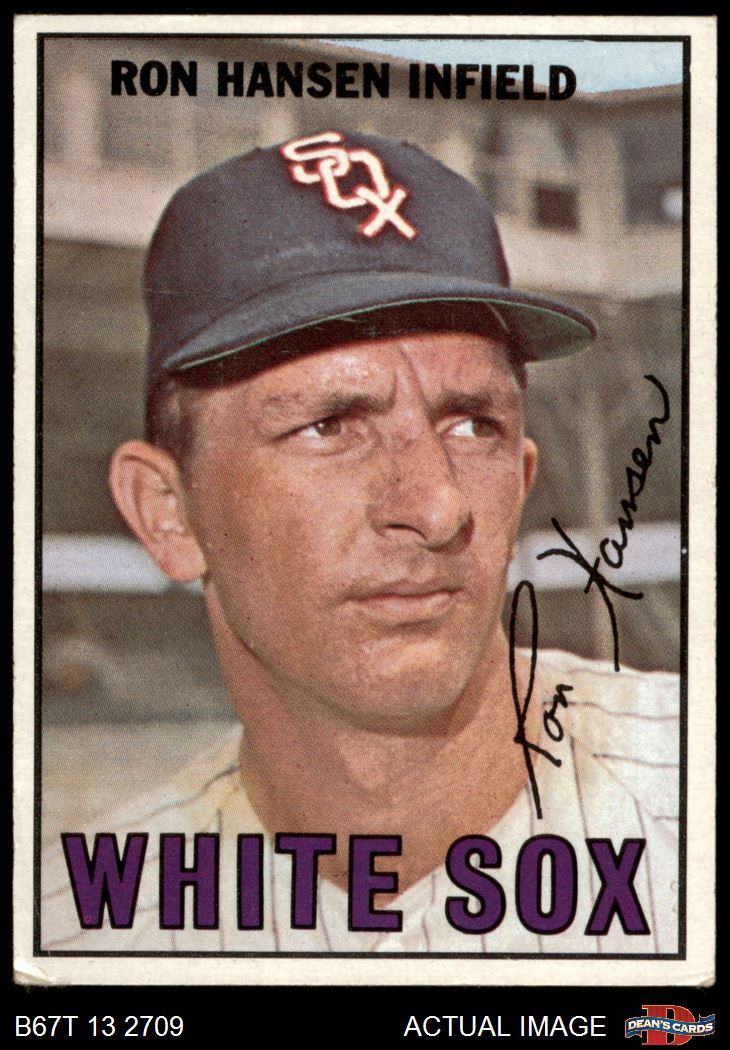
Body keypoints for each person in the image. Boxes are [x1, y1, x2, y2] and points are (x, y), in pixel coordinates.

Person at [41, 130, 679, 954]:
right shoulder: (76, 933)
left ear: (522, 480)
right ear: (169, 513)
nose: (438, 504)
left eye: (473, 424)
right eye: (329, 425)